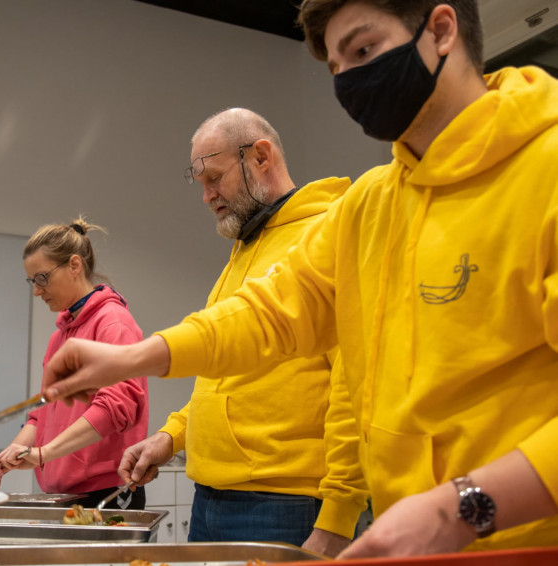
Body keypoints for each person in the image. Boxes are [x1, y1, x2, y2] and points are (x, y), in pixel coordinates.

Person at [40, 0, 558, 557]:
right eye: (335, 67)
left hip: (521, 541)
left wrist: (458, 508)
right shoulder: (371, 204)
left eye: (363, 50)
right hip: (414, 540)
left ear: (442, 30)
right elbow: (269, 312)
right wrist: (133, 358)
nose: (348, 81)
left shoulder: (545, 168)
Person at [117, 108, 364, 553]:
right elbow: (223, 380)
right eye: (201, 183)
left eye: (214, 177)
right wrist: (170, 438)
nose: (206, 195)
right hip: (211, 496)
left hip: (285, 503)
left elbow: (355, 388)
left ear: (261, 157)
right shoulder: (245, 250)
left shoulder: (327, 234)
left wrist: (338, 518)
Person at [0, 218, 149, 510]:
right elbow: (40, 417)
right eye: (32, 281)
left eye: (42, 278)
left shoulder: (113, 323)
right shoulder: (59, 337)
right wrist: (2, 462)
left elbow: (115, 407)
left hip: (106, 491)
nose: (36, 291)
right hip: (64, 492)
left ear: (74, 265)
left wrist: (44, 453)